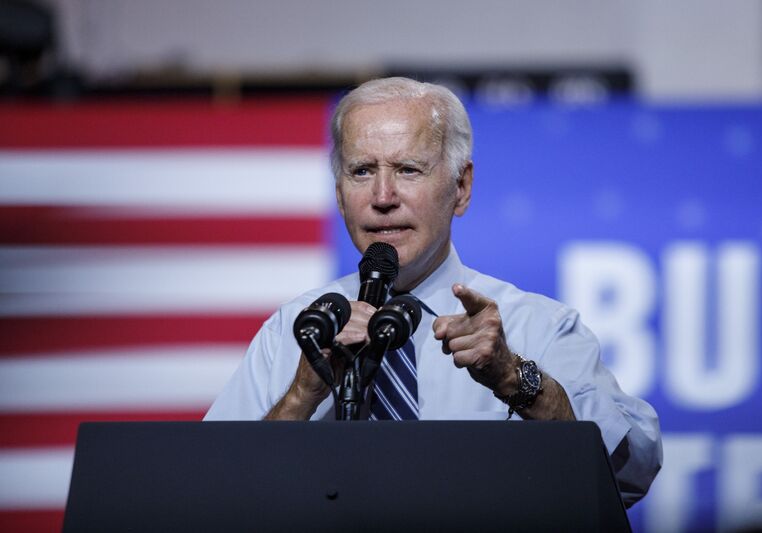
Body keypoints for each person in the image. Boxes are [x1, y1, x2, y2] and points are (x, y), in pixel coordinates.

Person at [205, 77, 662, 506]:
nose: (383, 196)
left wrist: (512, 377)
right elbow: (213, 494)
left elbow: (633, 469)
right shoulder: (294, 329)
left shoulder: (537, 327)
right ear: (340, 194)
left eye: (408, 169)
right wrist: (301, 395)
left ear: (461, 187)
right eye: (362, 171)